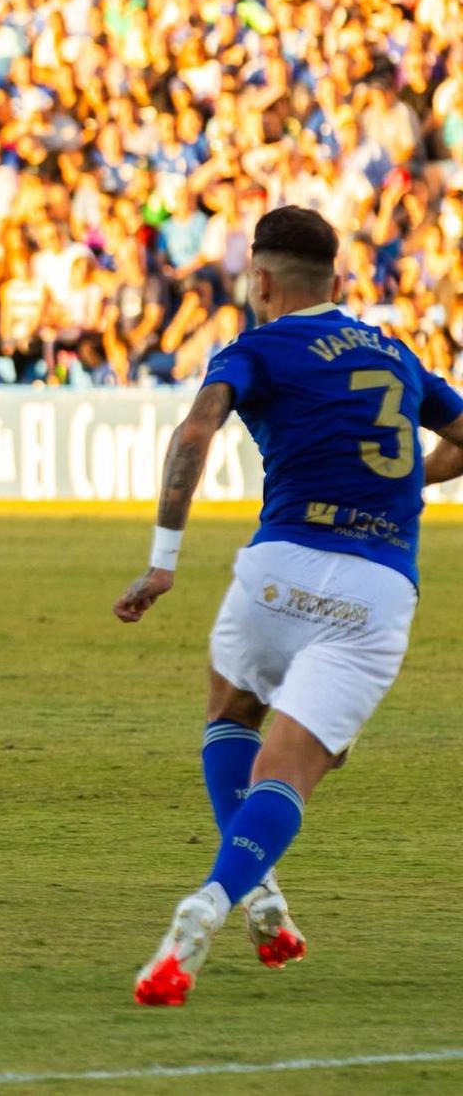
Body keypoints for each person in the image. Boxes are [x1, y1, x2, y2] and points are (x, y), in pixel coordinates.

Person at [115, 207, 463, 1007]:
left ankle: (256, 892)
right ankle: (220, 899)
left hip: (277, 570)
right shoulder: (396, 351)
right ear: (337, 280)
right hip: (378, 587)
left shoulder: (254, 346)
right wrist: (414, 482)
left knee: (230, 711)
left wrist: (162, 562)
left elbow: (195, 432)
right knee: (293, 770)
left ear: (262, 282)